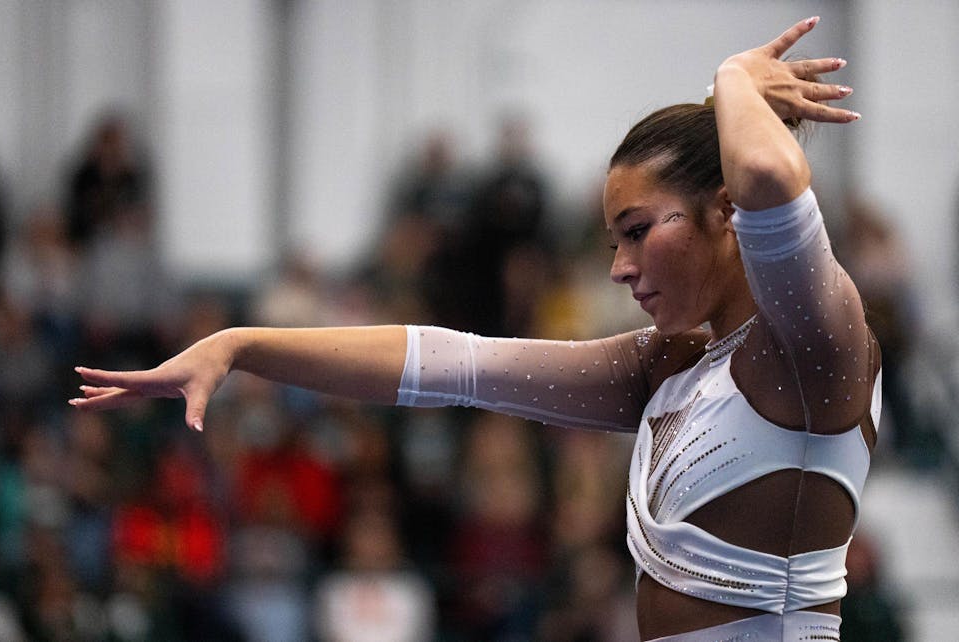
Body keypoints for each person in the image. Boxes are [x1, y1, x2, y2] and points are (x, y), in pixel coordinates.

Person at [71, 18, 878, 641]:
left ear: (725, 212)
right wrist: (244, 345)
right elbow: (453, 363)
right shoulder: (675, 368)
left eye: (637, 231)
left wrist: (734, 75)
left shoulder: (816, 349)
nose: (619, 268)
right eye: (610, 242)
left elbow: (769, 172)